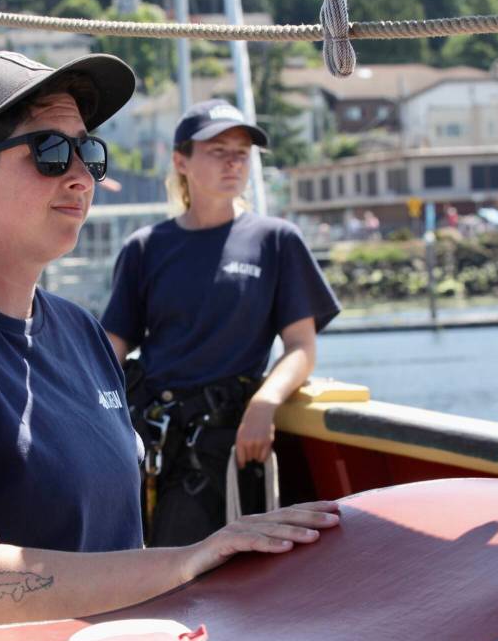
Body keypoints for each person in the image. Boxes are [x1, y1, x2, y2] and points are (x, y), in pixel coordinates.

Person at [0, 54, 340, 636]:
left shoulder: (79, 332)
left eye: (88, 152)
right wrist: (190, 558)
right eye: (49, 152)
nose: (80, 175)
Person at [102, 99, 342, 547]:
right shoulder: (146, 248)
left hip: (226, 444)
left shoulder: (276, 241)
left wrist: (265, 402)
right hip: (151, 440)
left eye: (242, 151)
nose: (234, 161)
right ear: (181, 161)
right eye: (218, 150)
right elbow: (110, 351)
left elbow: (301, 347)